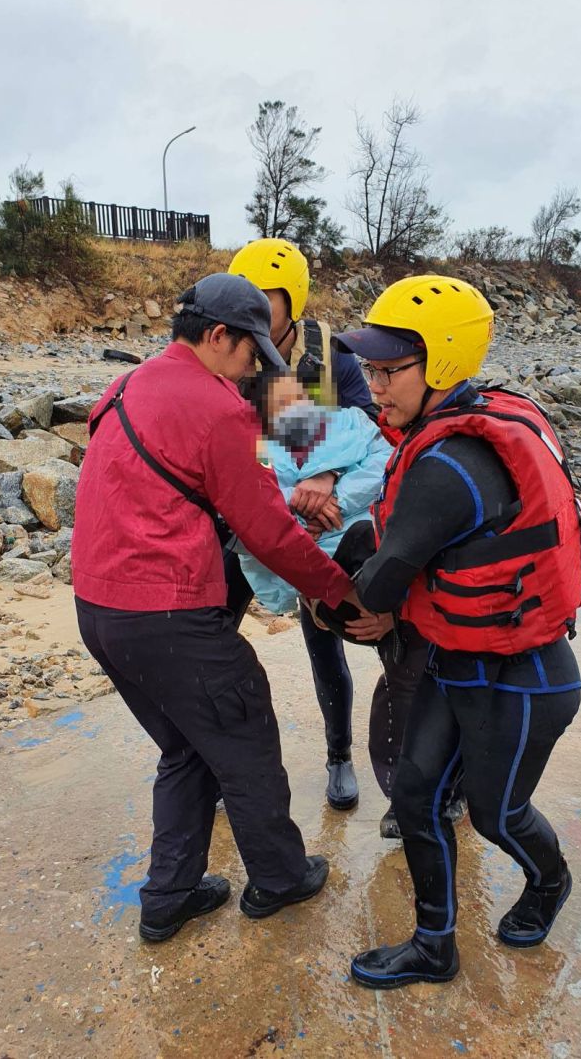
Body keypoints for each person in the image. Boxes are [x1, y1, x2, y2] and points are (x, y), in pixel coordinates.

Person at [331, 274, 581, 989]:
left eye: (392, 369)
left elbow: (376, 589)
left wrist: (318, 581)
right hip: (456, 661)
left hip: (527, 679)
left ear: (446, 363)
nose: (374, 385)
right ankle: (434, 945)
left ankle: (549, 883)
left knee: (495, 813)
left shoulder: (451, 463)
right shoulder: (440, 431)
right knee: (418, 796)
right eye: (368, 368)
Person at [71, 273, 363, 944]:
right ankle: (281, 878)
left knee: (188, 746)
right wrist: (340, 590)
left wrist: (265, 496)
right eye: (248, 352)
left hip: (98, 610)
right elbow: (268, 537)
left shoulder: (124, 387)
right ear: (217, 335)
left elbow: (155, 485)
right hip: (168, 615)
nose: (254, 369)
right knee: (244, 729)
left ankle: (168, 896)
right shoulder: (219, 406)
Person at [227, 239, 427, 819]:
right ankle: (215, 762)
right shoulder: (232, 356)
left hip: (331, 522)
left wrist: (330, 480)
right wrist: (283, 495)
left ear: (292, 301)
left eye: (263, 302)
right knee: (215, 635)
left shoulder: (330, 357)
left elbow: (376, 427)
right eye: (243, 303)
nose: (251, 315)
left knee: (332, 639)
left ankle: (341, 756)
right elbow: (226, 442)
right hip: (256, 515)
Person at [236, 372, 421, 800]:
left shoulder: (352, 422)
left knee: (402, 668)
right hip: (311, 578)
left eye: (300, 399)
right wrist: (302, 517)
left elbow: (387, 466)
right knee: (327, 663)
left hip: (375, 569)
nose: (296, 412)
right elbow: (254, 510)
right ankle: (339, 755)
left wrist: (332, 487)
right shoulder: (256, 450)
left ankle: (413, 782)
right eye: (281, 406)